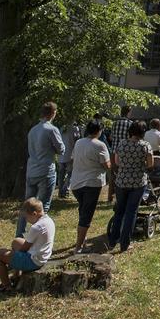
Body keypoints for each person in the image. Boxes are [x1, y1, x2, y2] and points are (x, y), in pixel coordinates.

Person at [16, 102, 65, 237]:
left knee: (27, 206)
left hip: (32, 170)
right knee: (43, 207)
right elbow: (61, 149)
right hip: (46, 170)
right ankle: (37, 238)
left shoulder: (33, 130)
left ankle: (20, 235)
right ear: (53, 113)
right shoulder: (51, 129)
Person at [108, 121, 154, 253]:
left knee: (119, 212)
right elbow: (150, 164)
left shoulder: (122, 143)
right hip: (137, 182)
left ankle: (112, 241)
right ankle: (125, 244)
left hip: (122, 181)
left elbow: (116, 161)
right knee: (131, 213)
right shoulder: (145, 145)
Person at [0, 197, 56, 291]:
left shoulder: (36, 227)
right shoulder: (48, 220)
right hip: (43, 255)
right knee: (16, 241)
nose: (26, 220)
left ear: (34, 214)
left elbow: (23, 249)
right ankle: (16, 275)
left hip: (34, 261)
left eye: (27, 217)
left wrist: (10, 259)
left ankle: (7, 286)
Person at [70, 119, 111, 253]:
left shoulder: (79, 142)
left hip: (76, 183)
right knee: (86, 214)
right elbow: (107, 165)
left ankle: (82, 239)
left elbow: (73, 158)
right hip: (91, 183)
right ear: (99, 131)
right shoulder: (100, 145)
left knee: (83, 210)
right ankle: (79, 247)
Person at [108, 104, 134, 203]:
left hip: (114, 151)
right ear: (129, 112)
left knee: (113, 174)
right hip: (125, 151)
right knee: (124, 174)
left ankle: (110, 196)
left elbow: (111, 137)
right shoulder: (130, 124)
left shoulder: (115, 123)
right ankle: (121, 197)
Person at [58, 120, 81, 198]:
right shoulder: (75, 128)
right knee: (70, 174)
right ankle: (65, 191)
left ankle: (60, 191)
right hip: (70, 154)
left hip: (61, 154)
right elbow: (77, 141)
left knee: (61, 174)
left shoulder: (62, 128)